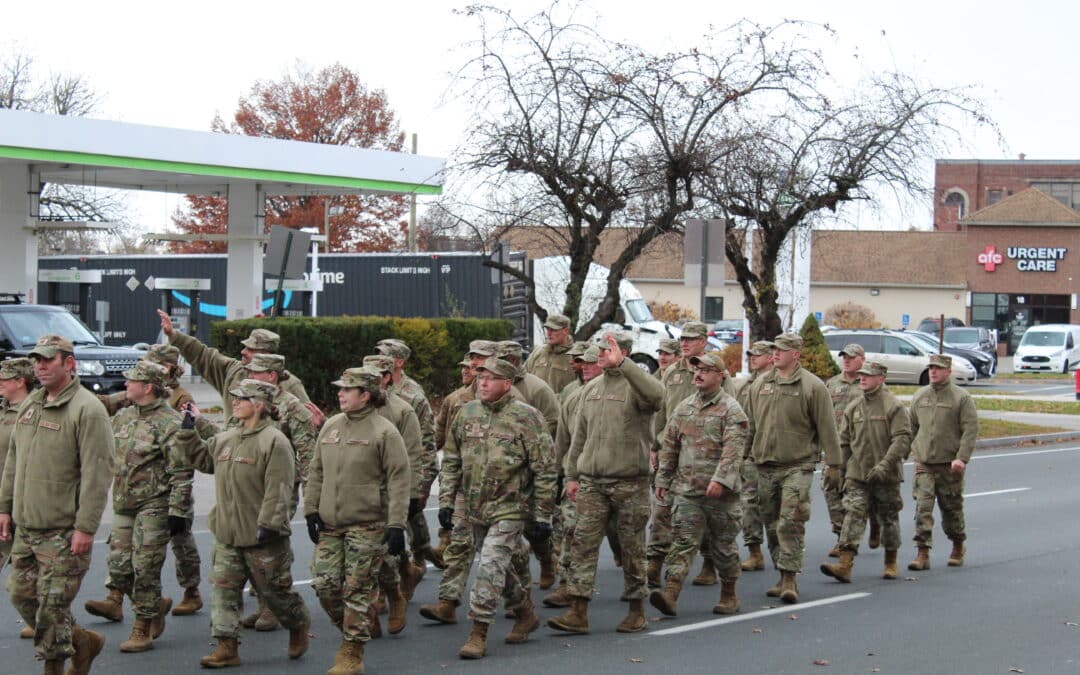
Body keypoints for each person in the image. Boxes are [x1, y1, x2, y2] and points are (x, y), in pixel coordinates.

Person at [0, 335, 115, 675]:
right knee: (21, 596)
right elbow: (13, 460)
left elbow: (98, 473)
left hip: (63, 529)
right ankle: (82, 640)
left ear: (69, 363)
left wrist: (85, 527)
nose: (41, 365)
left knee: (52, 606)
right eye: (38, 360)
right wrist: (4, 508)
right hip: (26, 525)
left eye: (49, 360)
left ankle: (54, 665)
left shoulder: (87, 409)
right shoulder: (32, 403)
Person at [184, 379, 311, 668]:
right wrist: (188, 433)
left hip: (262, 535)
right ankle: (226, 647)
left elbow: (280, 486)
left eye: (243, 398)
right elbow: (203, 460)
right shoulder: (229, 437)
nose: (236, 402)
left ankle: (298, 623)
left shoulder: (275, 441)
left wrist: (270, 522)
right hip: (228, 531)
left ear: (260, 405)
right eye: (235, 398)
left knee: (274, 593)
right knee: (223, 591)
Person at [438, 357, 557, 659]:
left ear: (507, 383)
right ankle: (525, 612)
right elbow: (451, 460)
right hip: (476, 508)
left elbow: (544, 469)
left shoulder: (527, 417)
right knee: (501, 570)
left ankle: (478, 632)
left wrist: (543, 514)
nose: (483, 383)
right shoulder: (466, 414)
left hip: (511, 509)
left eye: (490, 378)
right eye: (480, 378)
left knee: (489, 566)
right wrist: (446, 502)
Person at [549, 331, 663, 635]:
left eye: (605, 350)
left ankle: (637, 609)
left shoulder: (636, 386)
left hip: (629, 483)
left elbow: (657, 397)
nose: (599, 354)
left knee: (631, 548)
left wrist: (625, 365)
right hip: (592, 483)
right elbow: (579, 437)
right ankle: (577, 610)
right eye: (598, 350)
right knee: (582, 544)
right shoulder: (591, 390)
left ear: (621, 352)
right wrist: (572, 475)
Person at [305, 367, 411, 675]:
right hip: (330, 524)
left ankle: (352, 653)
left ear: (365, 395)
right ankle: (358, 624)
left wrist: (396, 524)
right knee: (324, 584)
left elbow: (399, 480)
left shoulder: (384, 432)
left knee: (357, 589)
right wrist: (311, 508)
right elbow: (316, 470)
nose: (339, 393)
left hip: (368, 525)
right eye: (340, 389)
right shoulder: (331, 426)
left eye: (346, 390)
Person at [83, 361, 194, 653]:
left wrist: (178, 511)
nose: (126, 385)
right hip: (124, 503)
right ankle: (155, 605)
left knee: (145, 568)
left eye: (132, 382)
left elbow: (181, 470)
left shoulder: (170, 422)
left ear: (147, 388)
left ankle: (142, 626)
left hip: (154, 505)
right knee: (119, 568)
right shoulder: (125, 416)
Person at [419, 343, 527, 627]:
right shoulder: (459, 402)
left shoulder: (519, 399)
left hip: (507, 494)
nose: (474, 370)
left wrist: (539, 508)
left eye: (480, 363)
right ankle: (448, 601)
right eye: (472, 364)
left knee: (507, 553)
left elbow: (538, 452)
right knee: (459, 545)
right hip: (468, 492)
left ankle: (519, 601)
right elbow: (444, 444)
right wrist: (444, 495)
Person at [97, 344, 208, 616]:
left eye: (154, 362)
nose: (126, 383)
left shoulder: (180, 400)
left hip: (164, 493)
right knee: (120, 553)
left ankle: (189, 590)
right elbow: (106, 410)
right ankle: (115, 598)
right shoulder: (128, 409)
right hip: (129, 494)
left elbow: (183, 457)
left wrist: (178, 507)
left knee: (179, 543)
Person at [743, 333, 842, 604]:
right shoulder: (760, 385)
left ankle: (790, 579)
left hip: (797, 465)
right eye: (774, 349)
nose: (776, 354)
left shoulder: (813, 387)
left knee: (790, 521)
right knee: (771, 523)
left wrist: (834, 463)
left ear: (795, 354)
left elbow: (827, 428)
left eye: (782, 350)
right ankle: (780, 571)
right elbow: (750, 426)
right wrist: (742, 459)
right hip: (764, 465)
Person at [650, 352, 748, 617]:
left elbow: (734, 450)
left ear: (720, 376)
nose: (699, 374)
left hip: (721, 496)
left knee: (723, 547)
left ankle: (729, 593)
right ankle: (670, 593)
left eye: (706, 369)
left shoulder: (731, 410)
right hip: (687, 491)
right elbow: (670, 446)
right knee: (682, 541)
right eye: (697, 369)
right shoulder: (684, 408)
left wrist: (721, 480)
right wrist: (663, 479)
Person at [231, 353, 317, 632]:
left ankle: (275, 606)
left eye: (256, 372)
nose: (249, 375)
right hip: (249, 486)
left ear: (271, 375)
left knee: (270, 546)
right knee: (250, 546)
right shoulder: (248, 400)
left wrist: (311, 498)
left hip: (279, 487)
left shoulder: (293, 407)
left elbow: (307, 453)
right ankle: (264, 604)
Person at [649, 321, 733, 588]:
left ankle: (708, 562)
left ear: (703, 341)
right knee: (662, 509)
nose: (683, 343)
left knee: (704, 512)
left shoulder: (716, 372)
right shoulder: (671, 372)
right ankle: (654, 563)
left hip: (704, 454)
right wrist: (655, 445)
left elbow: (728, 411)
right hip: (672, 452)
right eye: (682, 338)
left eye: (690, 339)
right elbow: (661, 412)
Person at [820, 361, 910, 583]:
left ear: (881, 379)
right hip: (858, 474)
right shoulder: (854, 407)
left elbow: (902, 439)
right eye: (861, 375)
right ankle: (845, 564)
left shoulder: (893, 406)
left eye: (868, 375)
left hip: (886, 474)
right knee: (853, 513)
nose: (862, 378)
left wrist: (885, 465)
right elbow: (845, 441)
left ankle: (891, 561)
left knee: (889, 518)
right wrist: (840, 471)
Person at [542, 345, 609, 608]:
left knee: (624, 539)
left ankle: (637, 585)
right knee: (572, 530)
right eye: (583, 363)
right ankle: (567, 585)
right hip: (579, 476)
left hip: (614, 476)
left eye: (592, 362)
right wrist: (559, 474)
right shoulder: (572, 396)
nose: (587, 367)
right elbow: (564, 438)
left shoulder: (618, 392)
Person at [156, 310, 311, 416]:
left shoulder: (290, 385)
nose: (243, 352)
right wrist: (174, 335)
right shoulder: (234, 371)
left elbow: (306, 421)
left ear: (267, 354)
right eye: (245, 347)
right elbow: (203, 355)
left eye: (251, 349)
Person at [494, 340, 560, 588]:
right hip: (502, 469)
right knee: (504, 530)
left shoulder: (537, 388)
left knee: (533, 526)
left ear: (513, 362)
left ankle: (546, 560)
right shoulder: (492, 386)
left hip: (530, 465)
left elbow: (552, 422)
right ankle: (515, 583)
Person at [374, 339, 441, 572]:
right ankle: (419, 554)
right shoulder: (372, 391)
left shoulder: (413, 396)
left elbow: (425, 439)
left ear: (399, 362)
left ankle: (419, 555)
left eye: (385, 355)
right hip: (381, 466)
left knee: (411, 511)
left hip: (405, 464)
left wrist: (423, 481)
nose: (378, 359)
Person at [907, 354, 978, 571]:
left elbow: (970, 430)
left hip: (949, 465)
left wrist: (961, 458)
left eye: (938, 368)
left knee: (951, 510)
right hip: (925, 463)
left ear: (948, 371)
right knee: (923, 509)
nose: (933, 372)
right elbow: (912, 428)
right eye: (931, 368)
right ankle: (922, 552)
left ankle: (958, 544)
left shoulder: (960, 398)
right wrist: (905, 453)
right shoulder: (921, 396)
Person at [0, 358, 36, 640]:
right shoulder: (3, 411)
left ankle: (42, 620)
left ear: (20, 381)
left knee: (26, 569)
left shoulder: (33, 410)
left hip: (22, 501)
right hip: (3, 500)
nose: (0, 382)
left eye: (4, 378)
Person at [732, 341, 774, 572]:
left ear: (770, 357)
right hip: (750, 453)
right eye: (750, 355)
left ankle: (783, 555)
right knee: (748, 503)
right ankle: (755, 551)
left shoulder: (778, 382)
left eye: (757, 355)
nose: (752, 358)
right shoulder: (744, 385)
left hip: (776, 454)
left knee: (773, 507)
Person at [823, 343, 868, 557]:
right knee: (831, 490)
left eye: (851, 357)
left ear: (862, 359)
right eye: (844, 357)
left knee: (854, 495)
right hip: (835, 447)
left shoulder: (867, 383)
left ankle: (848, 541)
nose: (846, 360)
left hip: (859, 449)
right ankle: (841, 535)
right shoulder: (831, 384)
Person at [524, 314, 577, 395]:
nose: (549, 333)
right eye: (548, 329)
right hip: (535, 405)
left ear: (566, 331)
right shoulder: (538, 352)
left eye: (554, 330)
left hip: (562, 406)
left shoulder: (575, 356)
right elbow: (523, 377)